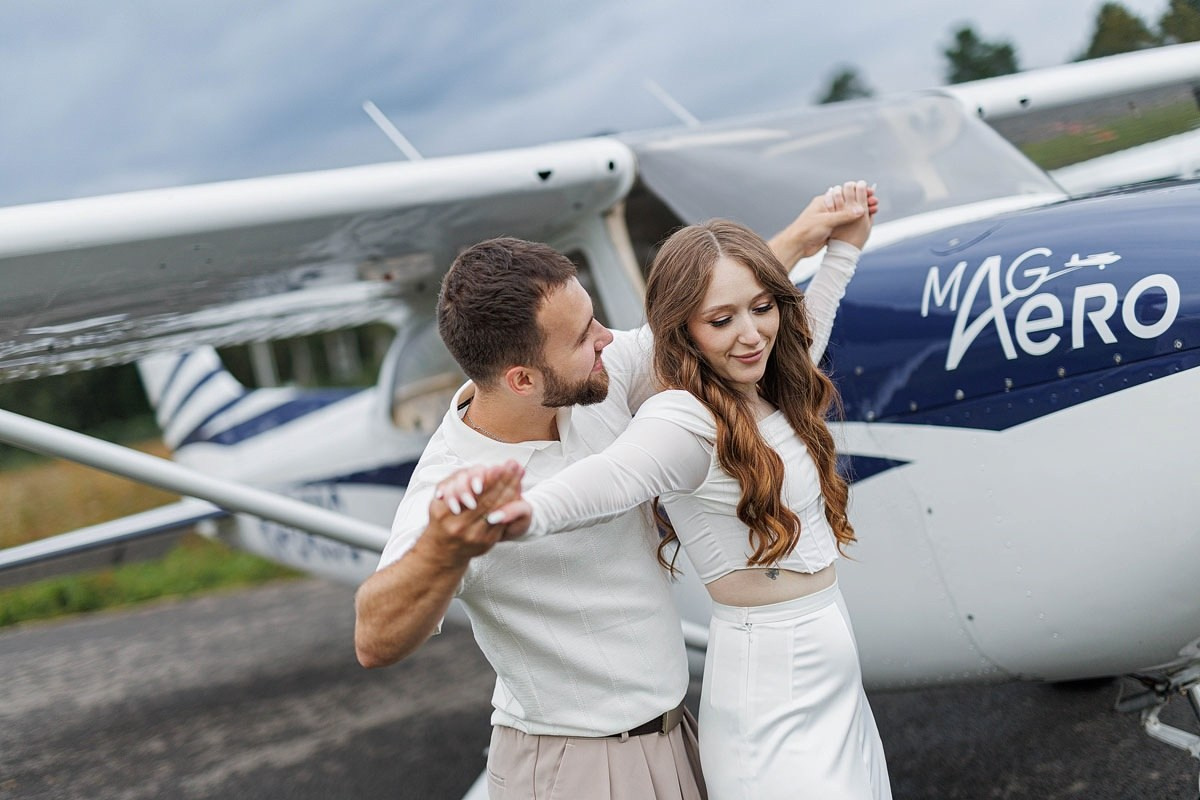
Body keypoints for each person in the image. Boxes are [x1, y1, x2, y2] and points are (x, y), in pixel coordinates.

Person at [354, 183, 874, 800]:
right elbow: (374, 639)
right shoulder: (449, 487)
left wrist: (805, 237)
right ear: (522, 379)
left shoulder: (597, 374)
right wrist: (448, 546)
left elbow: (703, 315)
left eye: (594, 317)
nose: (607, 336)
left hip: (669, 735)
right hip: (572, 761)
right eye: (581, 337)